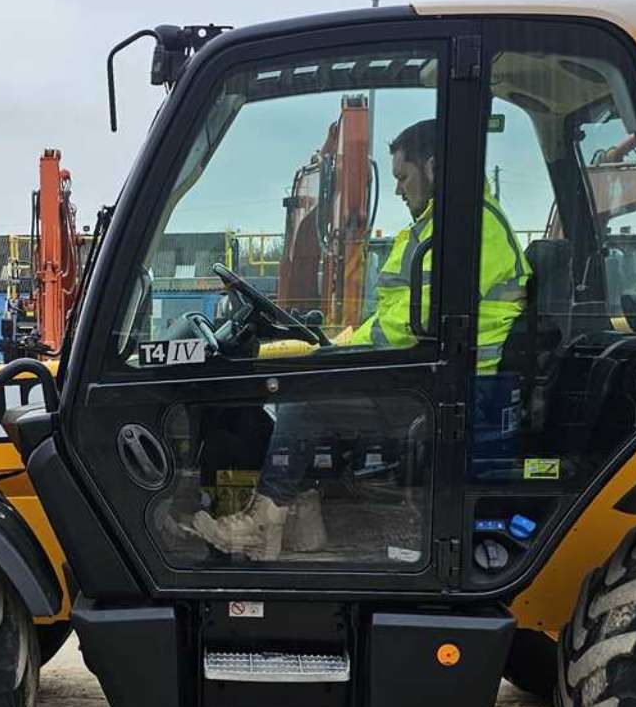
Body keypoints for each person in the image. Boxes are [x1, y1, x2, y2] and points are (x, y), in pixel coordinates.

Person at [191, 118, 528, 560]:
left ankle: (263, 524)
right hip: (430, 369)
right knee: (313, 381)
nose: (398, 190)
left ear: (432, 166)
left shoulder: (468, 226)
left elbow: (419, 320)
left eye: (403, 177)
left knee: (303, 399)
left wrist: (342, 354)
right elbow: (398, 315)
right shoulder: (440, 225)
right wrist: (339, 344)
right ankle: (300, 520)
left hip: (448, 386)